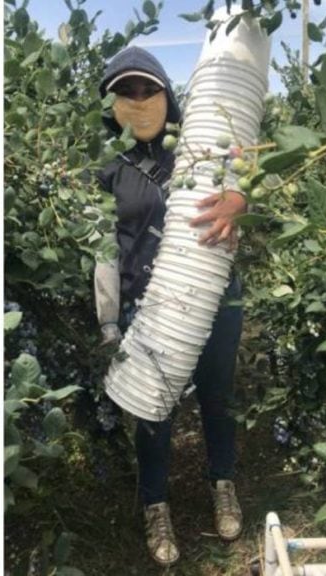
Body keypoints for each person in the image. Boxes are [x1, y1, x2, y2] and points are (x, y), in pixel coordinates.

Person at [92, 46, 249, 567]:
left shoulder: (197, 146)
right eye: (126, 92)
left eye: (148, 90)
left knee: (216, 396)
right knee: (152, 408)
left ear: (167, 94)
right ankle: (155, 505)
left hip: (216, 296)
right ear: (110, 102)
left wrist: (239, 198)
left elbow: (249, 166)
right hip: (149, 303)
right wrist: (110, 321)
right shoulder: (108, 167)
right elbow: (103, 248)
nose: (139, 101)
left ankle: (222, 484)